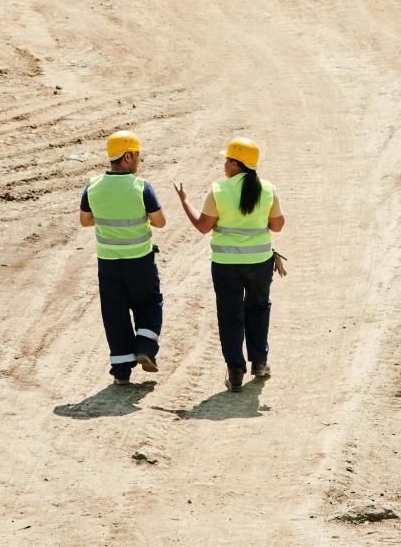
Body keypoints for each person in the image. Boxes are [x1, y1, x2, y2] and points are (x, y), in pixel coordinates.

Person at [173, 137, 285, 392]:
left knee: (230, 315)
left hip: (226, 265)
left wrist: (184, 201)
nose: (224, 164)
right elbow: (277, 225)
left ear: (236, 164)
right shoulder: (268, 189)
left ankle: (235, 371)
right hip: (260, 263)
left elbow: (203, 227)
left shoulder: (219, 190)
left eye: (227, 160)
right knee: (258, 308)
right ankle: (260, 362)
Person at [80, 130, 166, 386]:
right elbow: (160, 222)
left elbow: (85, 221)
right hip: (139, 260)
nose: (139, 160)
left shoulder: (93, 186)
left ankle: (121, 372)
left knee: (114, 314)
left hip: (108, 263)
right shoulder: (141, 187)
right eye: (137, 155)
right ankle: (145, 347)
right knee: (150, 304)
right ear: (128, 156)